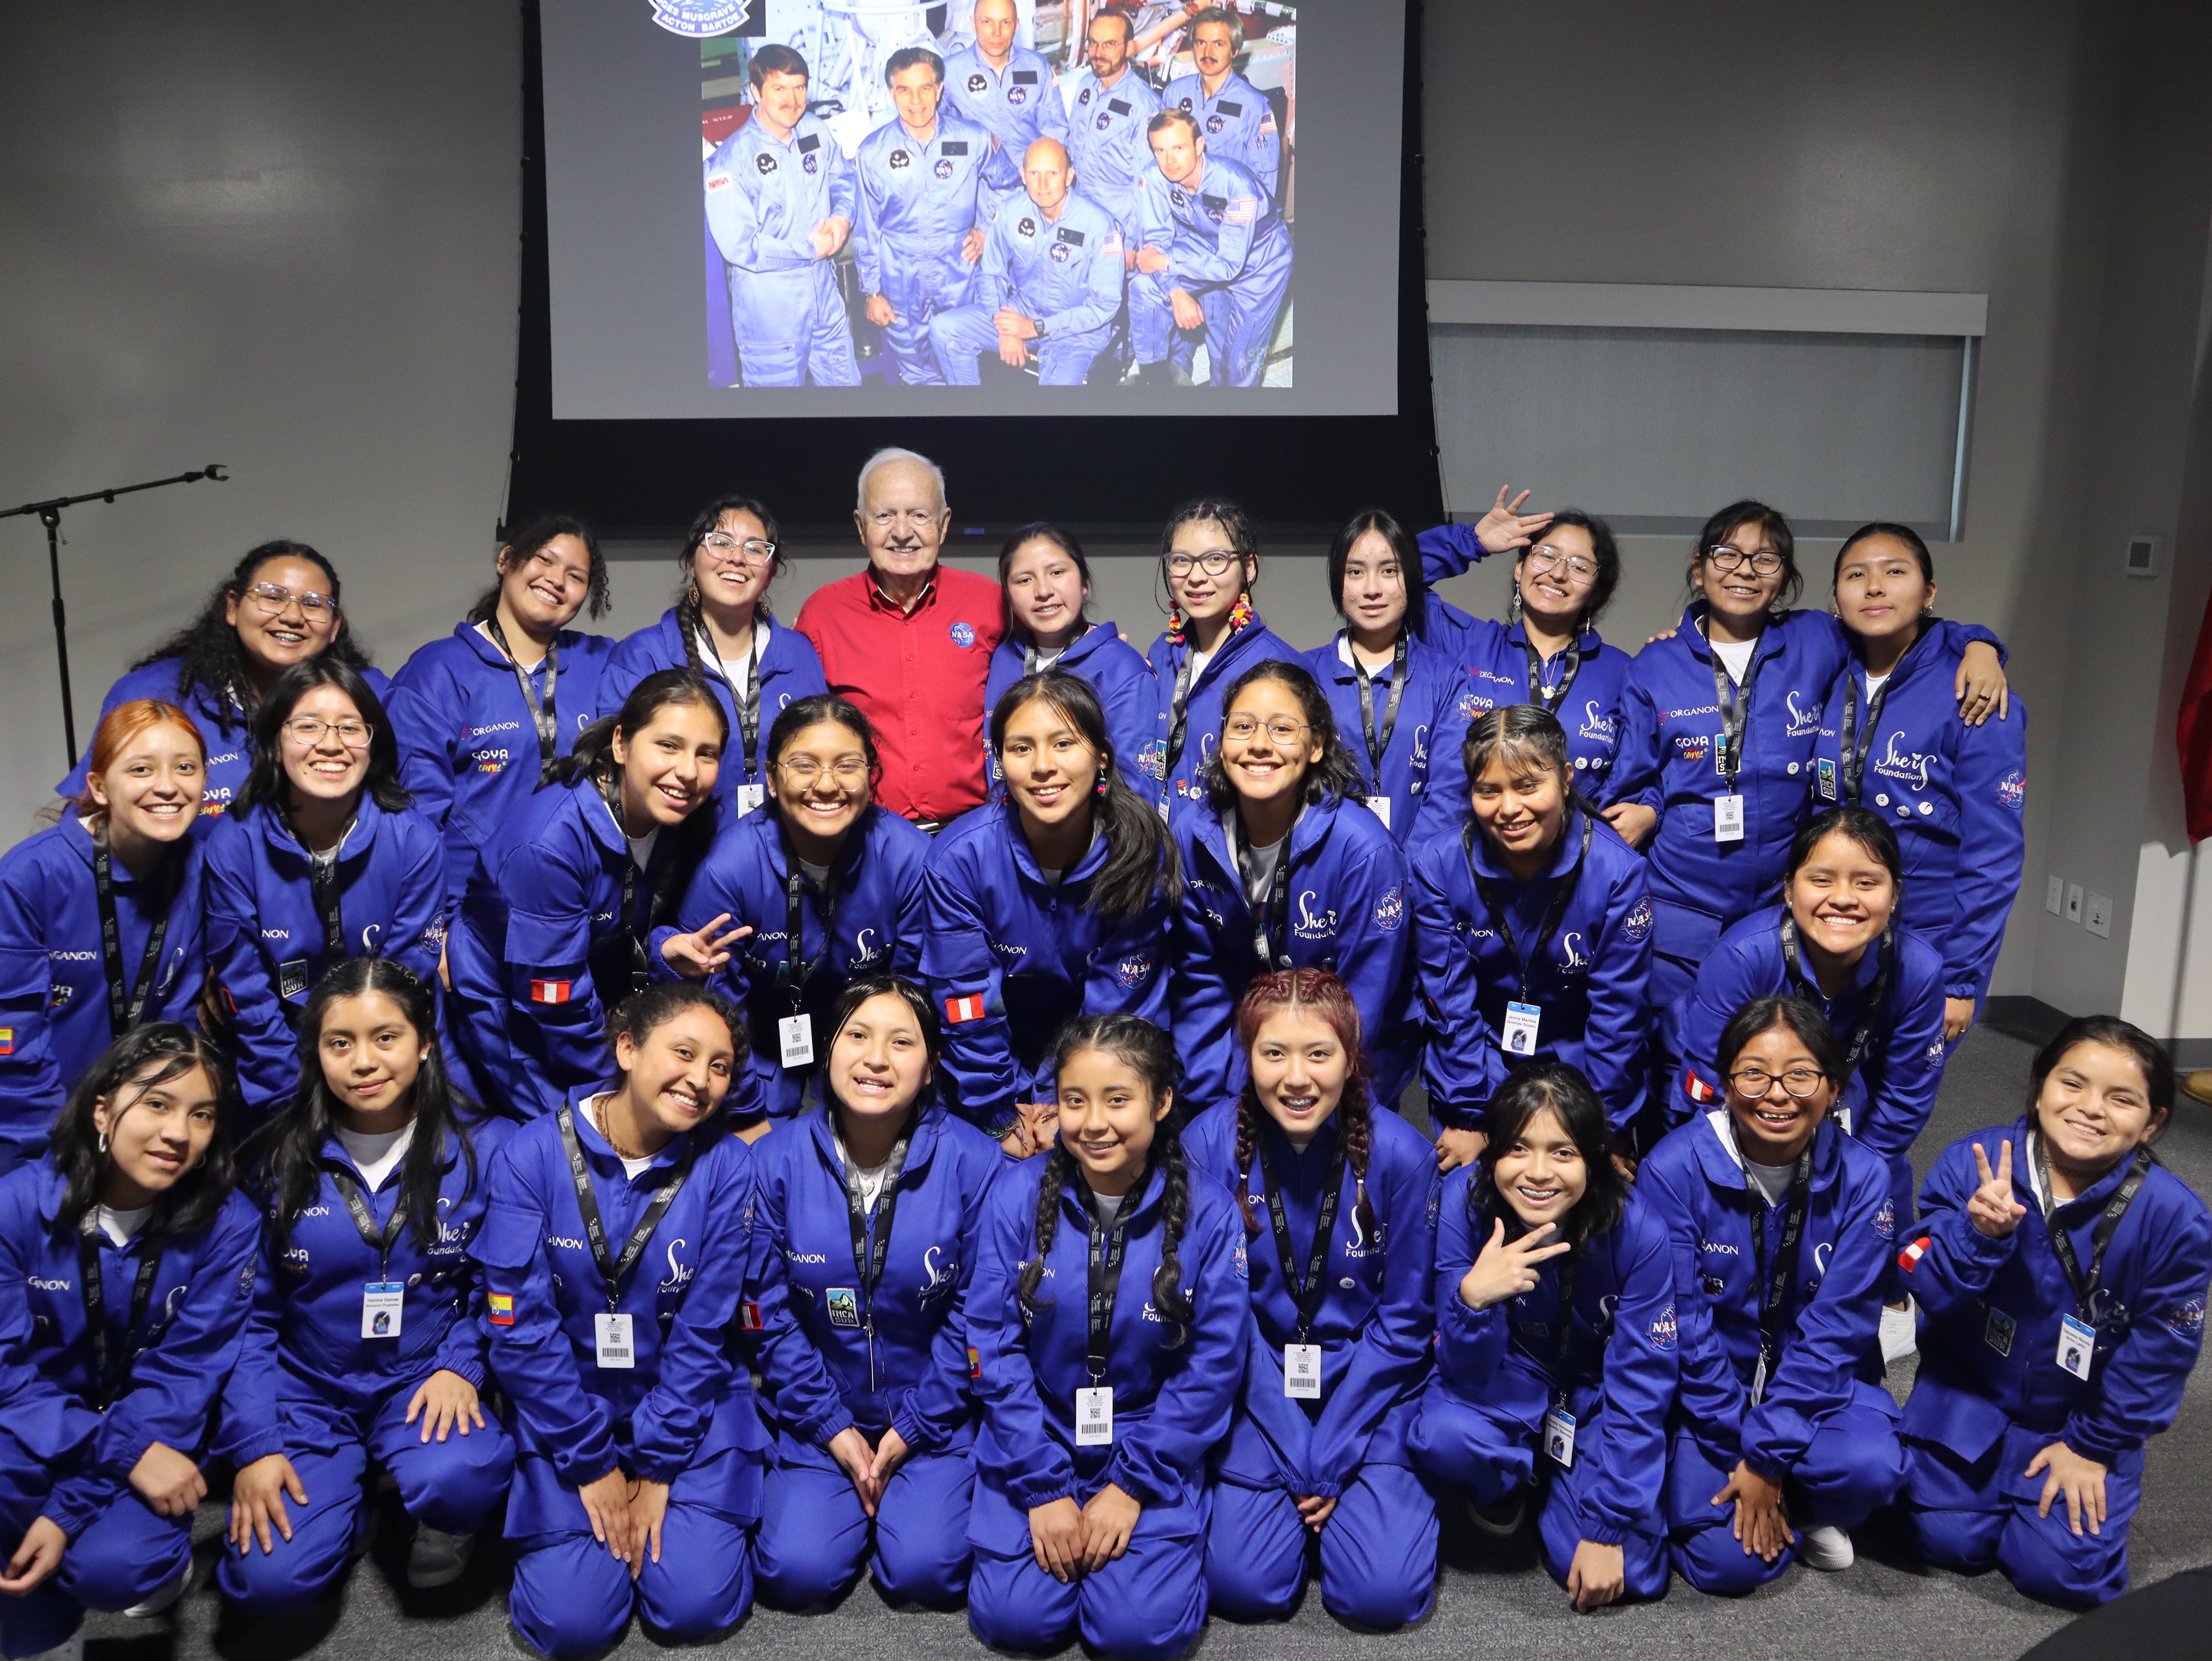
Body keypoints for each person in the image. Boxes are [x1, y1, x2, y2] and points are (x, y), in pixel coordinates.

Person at [1605, 500, 2008, 1014]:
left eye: (1766, 559)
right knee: (1676, 1053)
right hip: (1683, 904)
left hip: (1784, 909)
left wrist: (1980, 644)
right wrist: (1654, 807)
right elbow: (1632, 783)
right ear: (1699, 567)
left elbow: (1902, 628)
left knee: (1779, 1056)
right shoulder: (1655, 665)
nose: (1745, 571)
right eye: (1727, 554)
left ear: (1785, 579)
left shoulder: (1817, 639)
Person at [470, 983, 761, 1656]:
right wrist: (592, 1463)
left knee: (693, 1606)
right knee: (571, 1627)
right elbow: (518, 1327)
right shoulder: (531, 1155)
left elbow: (704, 1330)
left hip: (685, 1409)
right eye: (684, 1054)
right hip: (567, 1410)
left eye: (720, 1067)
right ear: (627, 1048)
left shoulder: (725, 1167)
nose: (700, 1080)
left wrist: (656, 1468)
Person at [216, 959, 515, 1610]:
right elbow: (247, 1319)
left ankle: (438, 1513)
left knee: (462, 1477)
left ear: (426, 1043)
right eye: (340, 1043)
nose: (363, 1062)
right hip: (310, 1387)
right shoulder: (273, 1161)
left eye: (387, 1037)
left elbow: (504, 1285)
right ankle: (346, 1508)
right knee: (270, 1583)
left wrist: (464, 1365)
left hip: (424, 1375)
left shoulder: (486, 1151)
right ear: (317, 1054)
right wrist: (256, 1444)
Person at [1896, 1016, 2210, 1607]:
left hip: (2077, 1415)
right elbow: (1925, 1286)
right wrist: (1975, 1237)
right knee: (1942, 1540)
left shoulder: (2174, 1219)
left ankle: (2066, 1481)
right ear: (2039, 1088)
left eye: (2122, 1100)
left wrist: (2095, 1446)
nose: (2092, 1109)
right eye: (2073, 1084)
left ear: (2152, 1124)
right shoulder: (1977, 1164)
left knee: (2060, 1575)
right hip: (1969, 1394)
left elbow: (2161, 1355)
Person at [963, 1014, 1245, 1661]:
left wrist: (1131, 1486)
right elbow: (991, 1345)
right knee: (1015, 1623)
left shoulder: (1209, 1209)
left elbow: (1215, 1365)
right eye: (1073, 1100)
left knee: (1137, 1636)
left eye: (1118, 1100)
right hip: (1041, 1428)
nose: (1094, 1123)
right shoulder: (1012, 1198)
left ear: (1162, 1101)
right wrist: (1042, 1486)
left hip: (1151, 1436)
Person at [1185, 970, 1441, 1629]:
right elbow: (1222, 1325)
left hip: (1371, 1389)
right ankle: (1303, 1500)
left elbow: (1406, 1325)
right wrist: (1297, 1442)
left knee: (1379, 1600)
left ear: (1351, 1060)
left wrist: (1330, 1449)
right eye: (1274, 1054)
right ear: (1247, 1059)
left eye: (1318, 1055)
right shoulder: (1207, 1147)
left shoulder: (1404, 1158)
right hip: (1253, 1381)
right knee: (1246, 1590)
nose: (1296, 1078)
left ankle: (1354, 1501)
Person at [0, 1025, 258, 1658]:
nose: (179, 1133)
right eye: (158, 1104)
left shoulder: (229, 1224)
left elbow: (186, 1377)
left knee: (115, 1569)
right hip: (34, 1423)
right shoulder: (15, 1205)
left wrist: (68, 1510)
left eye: (202, 1115)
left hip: (155, 1430)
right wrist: (121, 1449)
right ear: (103, 1109)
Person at [749, 976, 1004, 1607]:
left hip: (935, 1419)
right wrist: (829, 1423)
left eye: (902, 1042)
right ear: (828, 1049)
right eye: (856, 1036)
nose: (876, 1059)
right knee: (795, 1575)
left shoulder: (977, 1163)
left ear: (932, 1066)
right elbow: (762, 1311)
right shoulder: (773, 1162)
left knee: (927, 1573)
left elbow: (982, 1312)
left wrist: (915, 1424)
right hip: (818, 1416)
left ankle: (907, 1496)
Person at [1638, 996, 1906, 1590]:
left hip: (1816, 1392)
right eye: (1754, 1073)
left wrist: (1766, 1453)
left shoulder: (1865, 1177)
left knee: (1871, 1467)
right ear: (1725, 1083)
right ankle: (1779, 1497)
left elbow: (1838, 1334)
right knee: (1730, 1568)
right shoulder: (1672, 1168)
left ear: (1834, 1088)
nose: (1778, 1094)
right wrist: (1740, 1436)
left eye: (1801, 1075)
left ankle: (1793, 1497)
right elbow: (1681, 1323)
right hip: (1708, 1396)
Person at [1407, 1062, 1678, 1610]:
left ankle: (1559, 1483)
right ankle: (1505, 1485)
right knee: (1445, 1434)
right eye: (1518, 1149)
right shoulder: (1463, 1202)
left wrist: (1605, 1528)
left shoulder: (1641, 1230)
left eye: (1563, 1153)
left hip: (1593, 1393)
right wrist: (1473, 1302)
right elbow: (1463, 1372)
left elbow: (1643, 1384)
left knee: (1626, 1570)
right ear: (1492, 1153)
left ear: (1595, 1158)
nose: (1537, 1173)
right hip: (1508, 1379)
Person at [444, 671, 734, 1119]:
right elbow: (553, 999)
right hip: (518, 1018)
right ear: (621, 745)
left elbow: (629, 918)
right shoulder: (549, 846)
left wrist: (662, 950)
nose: (689, 771)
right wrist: (624, 1075)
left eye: (707, 754)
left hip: (594, 1004)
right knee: (590, 1138)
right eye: (668, 746)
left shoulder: (680, 817)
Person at [923, 671, 1178, 1153]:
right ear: (1000, 761)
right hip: (987, 1071)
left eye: (1064, 744)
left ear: (1101, 757)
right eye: (1021, 749)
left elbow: (1121, 1003)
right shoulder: (961, 858)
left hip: (1096, 1070)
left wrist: (1066, 1103)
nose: (1043, 766)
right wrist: (1000, 1114)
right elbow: (967, 1002)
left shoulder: (1141, 852)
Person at [1669, 809, 1946, 1230]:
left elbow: (1904, 1099)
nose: (1843, 898)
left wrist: (1853, 1178)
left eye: (1867, 882)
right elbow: (1708, 1087)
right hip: (1747, 1122)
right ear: (1788, 888)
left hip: (1856, 1129)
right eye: (1821, 880)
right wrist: (1752, 1174)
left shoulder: (1919, 971)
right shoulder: (1744, 956)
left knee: (1876, 1255)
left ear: (1894, 896)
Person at [669, 696, 931, 1127]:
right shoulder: (729, 868)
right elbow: (715, 1008)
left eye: (847, 766)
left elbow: (913, 995)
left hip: (873, 1058)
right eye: (804, 766)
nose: (826, 785)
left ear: (871, 775)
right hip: (760, 1056)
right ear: (772, 779)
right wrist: (747, 1112)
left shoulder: (909, 858)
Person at [1812, 523, 2028, 1044]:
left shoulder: (1977, 697)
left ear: (1929, 592)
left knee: (1890, 1099)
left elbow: (1994, 854)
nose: (1876, 587)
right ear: (1837, 599)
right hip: (1829, 928)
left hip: (1923, 934)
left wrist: (1961, 977)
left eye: (1896, 572)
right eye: (1856, 575)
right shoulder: (1824, 669)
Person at [202, 661, 445, 1124]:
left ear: (373, 745)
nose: (331, 744)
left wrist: (370, 1082)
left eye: (350, 728)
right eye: (308, 726)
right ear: (275, 742)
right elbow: (248, 993)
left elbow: (406, 979)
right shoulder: (235, 843)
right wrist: (290, 1099)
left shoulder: (413, 840)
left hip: (384, 1069)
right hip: (277, 1071)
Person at [1170, 660, 1415, 1113]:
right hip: (1232, 1069)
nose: (1259, 744)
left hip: (1342, 1077)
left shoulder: (1364, 852)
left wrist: (1292, 1081)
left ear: (1317, 745)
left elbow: (1365, 997)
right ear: (1222, 741)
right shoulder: (1193, 834)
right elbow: (1201, 981)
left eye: (1283, 729)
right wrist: (1219, 1097)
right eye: (1242, 726)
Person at [1412, 706, 1651, 1166]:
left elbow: (1619, 1018)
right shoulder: (1439, 866)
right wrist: (1472, 1115)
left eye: (1527, 786)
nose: (1508, 808)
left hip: (1582, 1064)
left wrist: (1601, 1127)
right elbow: (1451, 1006)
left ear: (1564, 779)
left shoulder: (1618, 873)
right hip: (1479, 1060)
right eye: (1489, 790)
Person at [0, 702, 209, 1177]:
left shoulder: (199, 867)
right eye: (141, 769)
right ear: (98, 787)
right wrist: (55, 1154)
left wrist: (148, 1130)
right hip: (32, 1143)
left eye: (186, 767)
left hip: (137, 1143)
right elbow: (11, 1038)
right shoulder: (30, 876)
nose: (167, 786)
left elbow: (178, 1025)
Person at [56, 540, 397, 821]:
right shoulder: (154, 694)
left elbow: (413, 804)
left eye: (314, 604)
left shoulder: (371, 695)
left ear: (334, 625)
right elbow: (87, 820)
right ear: (233, 607)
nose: (293, 617)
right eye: (273, 597)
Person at [391, 514, 615, 919]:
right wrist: (433, 928)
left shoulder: (601, 663)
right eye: (544, 560)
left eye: (576, 575)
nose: (556, 579)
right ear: (506, 560)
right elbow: (413, 817)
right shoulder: (438, 671)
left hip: (572, 908)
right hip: (468, 915)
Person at [795, 449, 1006, 828]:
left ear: (944, 525)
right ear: (861, 527)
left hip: (975, 833)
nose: (903, 532)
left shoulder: (990, 603)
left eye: (920, 515)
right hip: (867, 836)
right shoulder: (824, 614)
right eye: (885, 515)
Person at [598, 495, 829, 816]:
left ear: (771, 573)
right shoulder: (643, 656)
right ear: (691, 562)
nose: (736, 558)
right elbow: (614, 776)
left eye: (755, 548)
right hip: (677, 855)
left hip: (782, 851)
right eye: (720, 543)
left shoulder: (799, 653)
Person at [1415, 495, 1637, 796]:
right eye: (1546, 555)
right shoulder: (1469, 645)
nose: (1558, 574)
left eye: (1580, 567)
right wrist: (1473, 541)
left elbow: (1640, 770)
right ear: (1520, 569)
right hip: (1474, 839)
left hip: (1577, 840)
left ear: (1597, 594)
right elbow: (1391, 577)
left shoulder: (1622, 671)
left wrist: (1649, 808)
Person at [1304, 508, 1475, 848]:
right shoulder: (1305, 674)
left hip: (1420, 877)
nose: (1372, 589)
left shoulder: (1446, 678)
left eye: (1389, 571)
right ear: (1338, 580)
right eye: (1355, 571)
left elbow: (1450, 793)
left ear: (1410, 578)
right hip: (1326, 871)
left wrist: (1401, 870)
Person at [703, 43, 861, 388]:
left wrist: (843, 218)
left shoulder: (815, 131)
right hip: (772, 320)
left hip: (825, 304)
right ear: (756, 91)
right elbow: (741, 246)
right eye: (780, 88)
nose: (793, 100)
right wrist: (809, 250)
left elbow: (844, 179)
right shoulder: (730, 162)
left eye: (800, 87)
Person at [852, 48, 1013, 385]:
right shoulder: (872, 153)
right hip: (900, 279)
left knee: (963, 366)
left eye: (925, 88)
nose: (916, 101)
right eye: (904, 90)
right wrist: (871, 292)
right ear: (890, 93)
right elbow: (867, 229)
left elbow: (1008, 184)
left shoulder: (973, 138)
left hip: (960, 273)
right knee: (918, 375)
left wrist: (985, 228)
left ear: (940, 90)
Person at [985, 523, 1163, 800]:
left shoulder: (1121, 667)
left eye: (1057, 573)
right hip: (1012, 836)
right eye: (1024, 580)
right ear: (1008, 594)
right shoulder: (1004, 658)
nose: (1043, 590)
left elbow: (1135, 792)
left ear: (1084, 584)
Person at [928, 137, 1125, 386]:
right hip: (1022, 312)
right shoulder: (1012, 211)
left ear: (1069, 176)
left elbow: (1104, 306)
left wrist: (1037, 328)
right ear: (1023, 175)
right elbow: (990, 274)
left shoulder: (1100, 226)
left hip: (1076, 334)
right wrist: (1004, 327)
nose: (1042, 185)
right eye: (1034, 173)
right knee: (944, 330)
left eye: (1052, 173)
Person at [1145, 498, 1302, 809]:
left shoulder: (1279, 666)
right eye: (1181, 560)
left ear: (1249, 568)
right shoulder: (1161, 654)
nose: (1196, 576)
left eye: (1215, 559)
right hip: (1158, 847)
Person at [1131, 109, 1290, 388]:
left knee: (1238, 366)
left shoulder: (1237, 184)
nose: (1168, 161)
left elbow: (1229, 265)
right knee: (1144, 286)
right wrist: (1176, 292)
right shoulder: (1153, 177)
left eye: (1178, 148)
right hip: (1206, 242)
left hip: (1260, 262)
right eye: (1160, 150)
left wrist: (1168, 264)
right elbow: (1154, 245)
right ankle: (1155, 379)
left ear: (1200, 145)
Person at [942, 0, 1067, 209]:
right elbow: (938, 138)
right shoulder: (950, 73)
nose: (997, 33)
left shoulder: (1037, 67)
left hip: (1032, 192)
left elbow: (1056, 133)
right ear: (973, 24)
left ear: (1017, 25)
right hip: (976, 196)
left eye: (1006, 22)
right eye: (987, 22)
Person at [1063, 6, 1165, 238]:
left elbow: (1147, 184)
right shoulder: (1086, 86)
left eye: (1110, 44)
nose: (1098, 53)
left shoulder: (1144, 106)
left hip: (1116, 226)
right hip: (1079, 214)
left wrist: (1131, 244)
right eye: (1093, 43)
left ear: (1129, 47)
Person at [1160, 7, 1280, 199]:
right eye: (1201, 43)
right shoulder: (1175, 94)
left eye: (1219, 44)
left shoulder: (1256, 107)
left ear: (1235, 51)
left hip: (1227, 213)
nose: (1207, 52)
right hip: (1183, 211)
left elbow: (1265, 181)